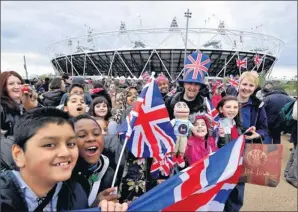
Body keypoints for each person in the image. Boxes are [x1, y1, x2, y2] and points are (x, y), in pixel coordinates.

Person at [224, 71, 269, 212]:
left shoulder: (257, 106)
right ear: (238, 84)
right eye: (244, 84)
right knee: (221, 183)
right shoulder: (226, 100)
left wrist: (257, 134)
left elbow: (264, 129)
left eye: (251, 85)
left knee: (238, 186)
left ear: (255, 88)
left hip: (243, 152)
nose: (246, 88)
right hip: (224, 149)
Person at [71, 114, 117, 207]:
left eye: (96, 134)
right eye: (82, 135)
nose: (91, 138)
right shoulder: (63, 176)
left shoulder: (110, 172)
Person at [0, 71, 38, 137]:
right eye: (11, 84)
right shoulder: (2, 107)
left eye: (19, 83)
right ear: (3, 87)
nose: (17, 86)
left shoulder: (28, 103)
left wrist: (33, 109)